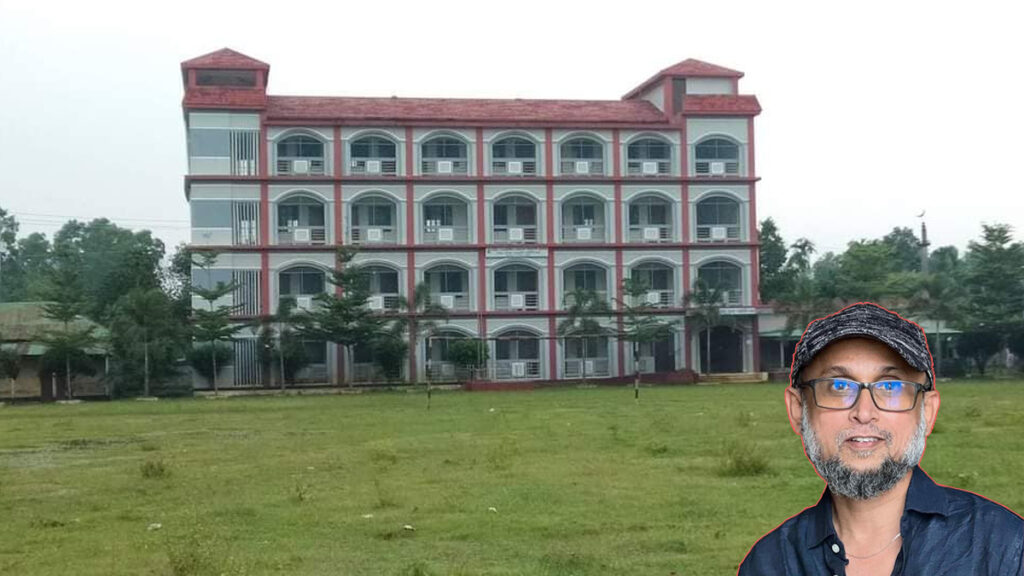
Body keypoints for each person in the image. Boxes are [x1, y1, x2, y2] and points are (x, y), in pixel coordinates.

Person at [738, 302, 1023, 575]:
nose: (864, 413)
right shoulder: (769, 563)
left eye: (890, 386)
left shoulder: (1004, 548)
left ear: (927, 412)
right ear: (798, 410)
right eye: (838, 386)